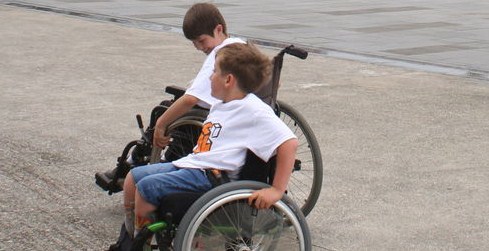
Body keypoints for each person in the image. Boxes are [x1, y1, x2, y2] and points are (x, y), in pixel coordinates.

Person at [123, 43, 299, 240]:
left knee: (147, 188)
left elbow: (289, 143)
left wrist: (276, 190)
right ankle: (131, 235)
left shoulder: (254, 110)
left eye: (214, 71)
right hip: (195, 165)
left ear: (228, 80)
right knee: (134, 177)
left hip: (213, 177)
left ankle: (141, 240)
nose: (210, 76)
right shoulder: (221, 104)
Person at [95, 2, 246, 186]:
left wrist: (160, 125)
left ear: (219, 29)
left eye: (201, 40)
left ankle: (139, 161)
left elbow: (192, 98)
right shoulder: (241, 45)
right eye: (194, 43)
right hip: (231, 108)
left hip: (210, 116)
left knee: (163, 110)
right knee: (170, 103)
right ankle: (140, 160)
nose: (198, 47)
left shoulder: (220, 53)